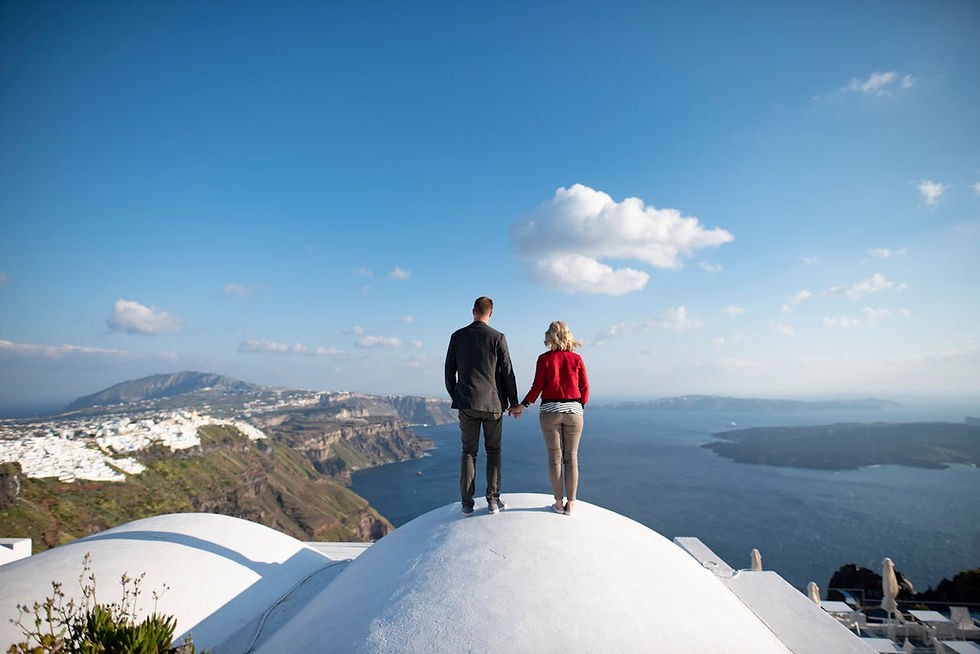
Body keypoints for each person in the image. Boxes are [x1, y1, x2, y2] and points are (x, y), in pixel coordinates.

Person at [445, 296, 521, 516]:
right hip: (493, 403)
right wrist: (514, 402)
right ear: (491, 313)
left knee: (468, 452)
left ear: (473, 311)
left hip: (467, 402)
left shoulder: (457, 337)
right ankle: (493, 502)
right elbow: (507, 372)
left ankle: (467, 505)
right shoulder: (498, 338)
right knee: (494, 451)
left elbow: (449, 372)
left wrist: (458, 395)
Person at [516, 321, 589, 516]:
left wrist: (522, 406)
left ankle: (558, 503)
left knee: (555, 458)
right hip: (574, 412)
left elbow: (536, 387)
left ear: (550, 337)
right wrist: (578, 406)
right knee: (571, 458)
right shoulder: (576, 359)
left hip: (550, 412)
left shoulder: (544, 359)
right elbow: (585, 388)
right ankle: (571, 505)